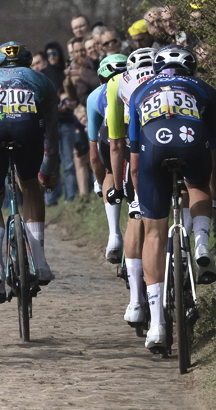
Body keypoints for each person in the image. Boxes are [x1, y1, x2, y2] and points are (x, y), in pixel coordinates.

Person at [129, 45, 216, 350]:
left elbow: (132, 157)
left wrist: (137, 194)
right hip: (190, 143)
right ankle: (201, 245)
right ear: (191, 70)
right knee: (197, 186)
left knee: (154, 232)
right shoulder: (205, 89)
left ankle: (156, 324)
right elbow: (214, 151)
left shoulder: (140, 91)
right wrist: (213, 193)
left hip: (153, 150)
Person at [0, 41, 59, 300]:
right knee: (30, 184)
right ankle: (41, 261)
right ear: (26, 61)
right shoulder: (39, 78)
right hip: (27, 130)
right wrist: (48, 169)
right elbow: (51, 131)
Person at [107, 47, 156, 326]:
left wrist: (117, 187)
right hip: (178, 144)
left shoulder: (118, 81)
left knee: (136, 216)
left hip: (135, 151)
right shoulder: (170, 77)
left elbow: (115, 143)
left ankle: (136, 301)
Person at [86, 54, 128, 262]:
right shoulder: (139, 84)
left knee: (112, 170)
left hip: (108, 137)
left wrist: (99, 181)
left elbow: (94, 154)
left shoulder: (95, 95)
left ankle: (114, 234)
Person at [43, 41, 78, 204]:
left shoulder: (66, 73)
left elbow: (75, 95)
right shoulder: (42, 75)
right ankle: (51, 198)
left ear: (60, 54)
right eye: (48, 54)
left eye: (54, 54)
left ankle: (70, 197)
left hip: (67, 122)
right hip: (50, 124)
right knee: (51, 163)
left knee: (68, 163)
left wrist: (71, 103)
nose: (52, 57)